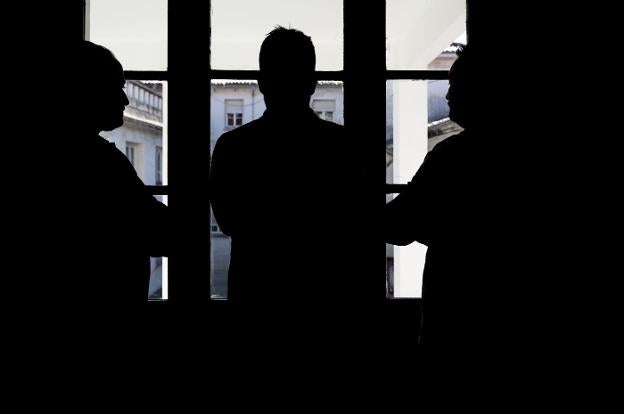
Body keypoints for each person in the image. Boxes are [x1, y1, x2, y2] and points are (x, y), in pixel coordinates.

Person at [210, 27, 367, 303]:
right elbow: (356, 223)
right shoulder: (344, 146)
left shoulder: (232, 146)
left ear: (261, 83)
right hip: (325, 291)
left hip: (256, 290)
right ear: (312, 83)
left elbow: (227, 222)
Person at [385, 45, 516, 342]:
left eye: (455, 84)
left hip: (451, 314)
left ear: (479, 89)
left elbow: (400, 225)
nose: (447, 94)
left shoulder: (452, 156)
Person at [45, 41, 169, 302]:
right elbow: (161, 233)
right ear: (86, 90)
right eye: (116, 87)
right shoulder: (101, 162)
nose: (125, 99)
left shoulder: (93, 155)